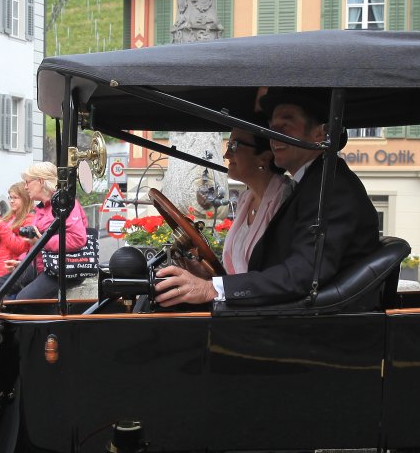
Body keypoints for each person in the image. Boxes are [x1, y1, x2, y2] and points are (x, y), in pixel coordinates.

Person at [156, 90, 378, 308]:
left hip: (313, 322)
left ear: (321, 134)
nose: (274, 135)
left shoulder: (331, 186)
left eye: (286, 125)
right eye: (272, 127)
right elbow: (275, 267)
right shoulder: (313, 183)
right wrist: (209, 280)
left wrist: (213, 289)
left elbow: (304, 274)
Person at [1, 161, 88, 300]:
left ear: (40, 181)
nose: (25, 187)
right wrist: (22, 261)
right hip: (43, 265)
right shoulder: (42, 208)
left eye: (27, 182)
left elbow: (78, 239)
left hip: (61, 268)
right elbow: (36, 243)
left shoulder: (65, 204)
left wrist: (41, 242)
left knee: (23, 300)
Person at [216, 127, 292, 275]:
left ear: (264, 157)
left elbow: (277, 273)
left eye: (234, 146)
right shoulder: (246, 198)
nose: (226, 154)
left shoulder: (285, 199)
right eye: (228, 145)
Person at [0, 182, 35, 297]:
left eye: (15, 198)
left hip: (13, 269)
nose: (11, 201)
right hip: (2, 269)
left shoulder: (30, 219)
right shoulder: (9, 218)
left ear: (25, 198)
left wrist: (2, 227)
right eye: (10, 197)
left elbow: (21, 247)